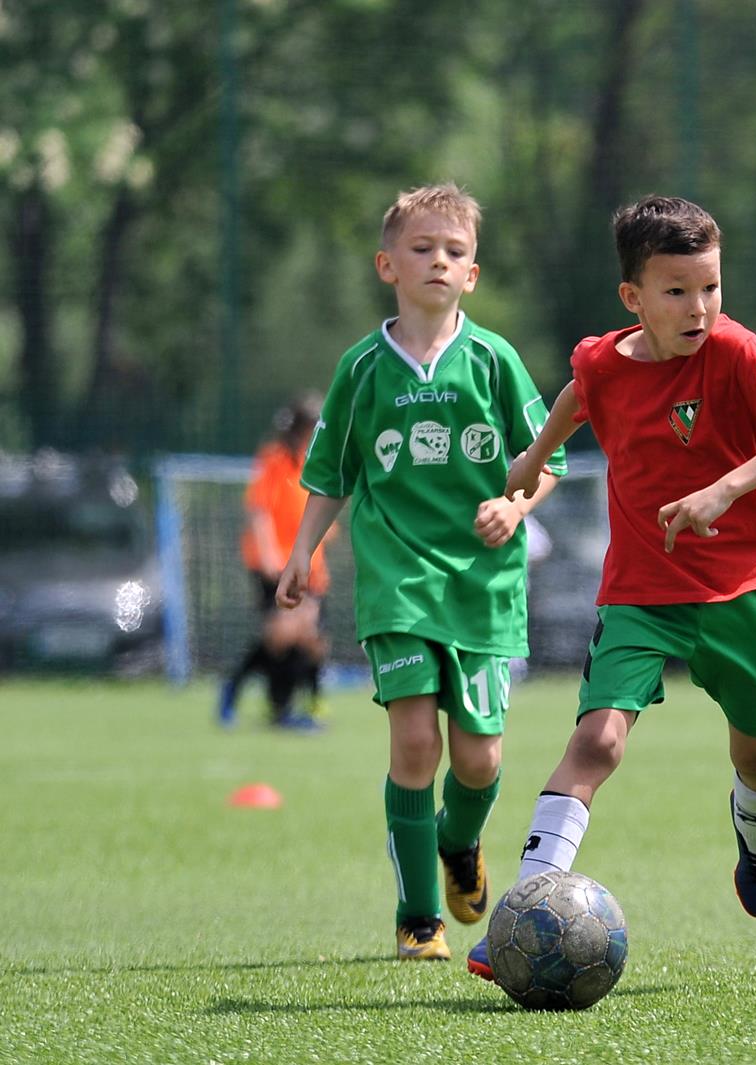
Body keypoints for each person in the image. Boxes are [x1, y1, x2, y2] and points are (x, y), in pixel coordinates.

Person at [466, 194, 756, 980]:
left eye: (710, 287)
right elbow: (579, 395)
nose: (699, 307)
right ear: (632, 297)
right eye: (677, 290)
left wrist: (725, 489)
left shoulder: (735, 352)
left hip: (737, 589)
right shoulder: (604, 361)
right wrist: (533, 455)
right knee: (596, 741)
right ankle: (521, 916)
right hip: (638, 592)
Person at [276, 183, 566, 961]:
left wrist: (515, 506)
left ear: (473, 273)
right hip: (398, 579)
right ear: (387, 265)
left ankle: (458, 840)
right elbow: (331, 472)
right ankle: (418, 916)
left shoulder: (495, 360)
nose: (440, 259)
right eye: (422, 247)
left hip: (483, 584)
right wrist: (302, 550)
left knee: (480, 758)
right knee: (413, 745)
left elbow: (547, 459)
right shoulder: (362, 368)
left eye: (455, 250)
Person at [218, 394, 331, 730]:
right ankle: (278, 706)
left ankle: (296, 703)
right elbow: (260, 508)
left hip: (309, 565)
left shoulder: (316, 460)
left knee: (308, 638)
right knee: (286, 632)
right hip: (277, 563)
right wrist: (269, 554)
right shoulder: (275, 459)